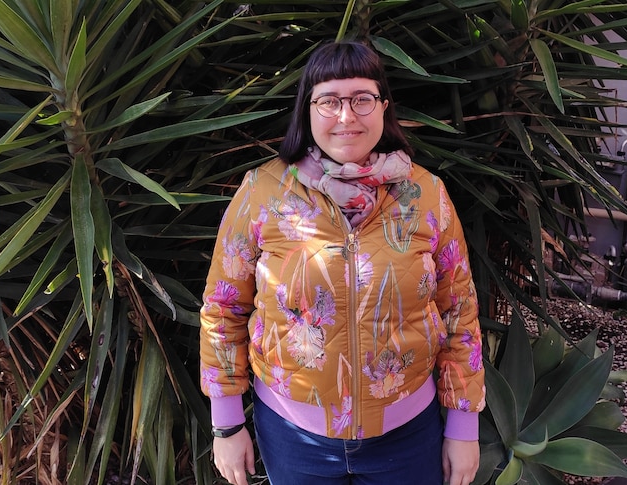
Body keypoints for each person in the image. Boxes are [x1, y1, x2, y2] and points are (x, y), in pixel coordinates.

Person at [199, 40, 485, 485]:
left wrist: (464, 427)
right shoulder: (262, 193)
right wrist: (227, 423)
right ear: (308, 110)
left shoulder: (427, 194)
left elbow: (459, 312)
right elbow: (223, 308)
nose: (346, 116)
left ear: (384, 107)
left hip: (407, 433)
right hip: (292, 434)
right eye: (329, 100)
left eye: (362, 99)